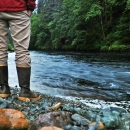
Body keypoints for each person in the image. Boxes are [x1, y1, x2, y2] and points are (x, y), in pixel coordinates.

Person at [0, 0, 40, 101]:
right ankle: (24, 91)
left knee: (0, 49)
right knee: (21, 50)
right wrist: (30, 6)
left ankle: (4, 89)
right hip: (18, 7)